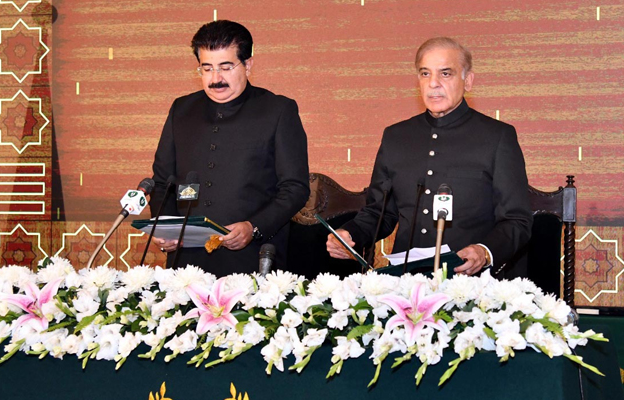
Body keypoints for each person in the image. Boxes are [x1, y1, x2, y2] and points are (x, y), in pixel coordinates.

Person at [327, 37, 533, 279]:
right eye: (425, 74)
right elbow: (379, 212)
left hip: (470, 286)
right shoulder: (396, 137)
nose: (433, 83)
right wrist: (350, 234)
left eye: (445, 74)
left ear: (468, 81)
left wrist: (483, 251)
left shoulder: (498, 137)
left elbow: (517, 220)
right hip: (404, 283)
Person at [150, 20, 310, 276]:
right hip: (186, 263)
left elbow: (295, 187)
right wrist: (166, 227)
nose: (216, 79)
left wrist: (254, 227)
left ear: (248, 65)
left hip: (253, 257)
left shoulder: (278, 110)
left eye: (225, 67)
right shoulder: (181, 110)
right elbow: (162, 182)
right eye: (207, 68)